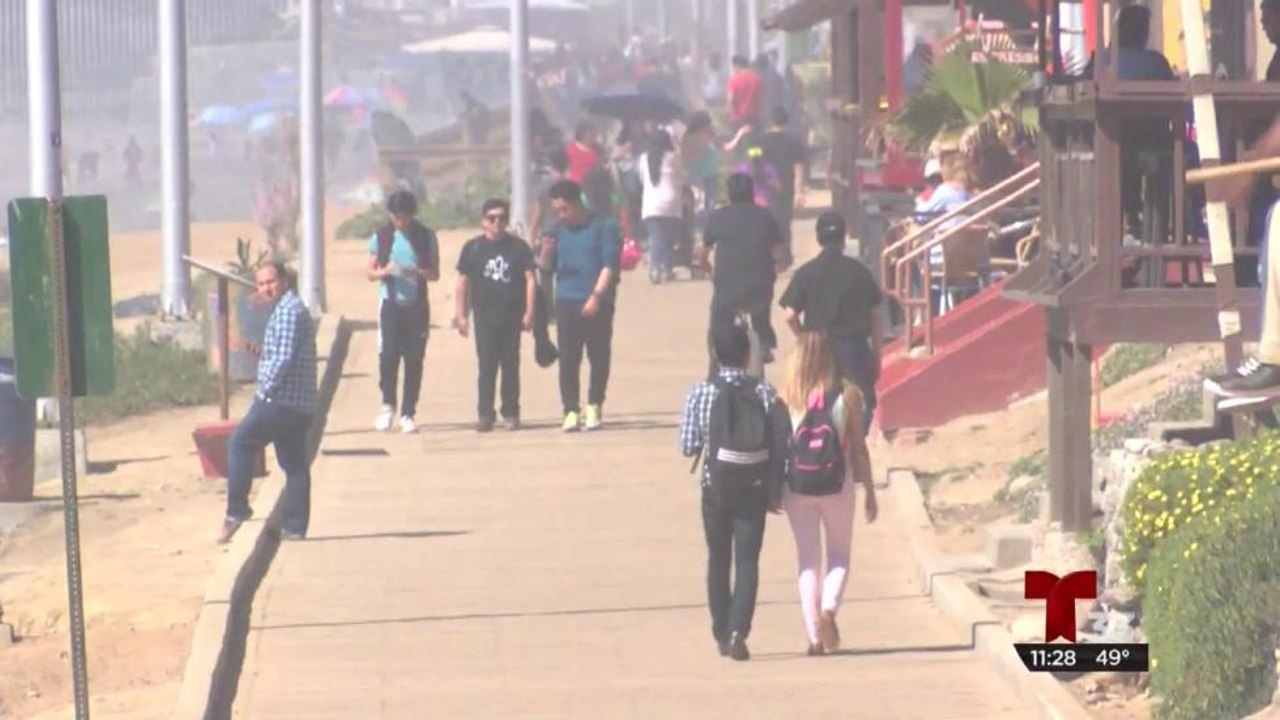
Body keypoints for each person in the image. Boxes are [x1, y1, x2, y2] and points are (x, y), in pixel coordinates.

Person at [678, 321, 790, 662]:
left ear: (714, 353)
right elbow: (779, 442)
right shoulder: (764, 393)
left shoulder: (701, 392)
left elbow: (687, 445)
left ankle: (721, 629)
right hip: (754, 488)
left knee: (718, 558)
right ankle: (740, 629)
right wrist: (775, 487)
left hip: (716, 488)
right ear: (747, 355)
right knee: (747, 561)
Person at [779, 331, 878, 655]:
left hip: (797, 488)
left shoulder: (787, 398)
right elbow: (859, 450)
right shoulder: (847, 396)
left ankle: (814, 638)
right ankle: (829, 609)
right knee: (839, 556)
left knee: (808, 562)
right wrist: (870, 492)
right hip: (838, 484)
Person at [219, 262, 318, 544]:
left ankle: (237, 509)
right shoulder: (288, 308)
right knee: (295, 465)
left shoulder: (288, 311)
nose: (265, 288)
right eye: (261, 284)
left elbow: (282, 359)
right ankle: (295, 527)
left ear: (284, 280)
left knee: (240, 443)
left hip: (280, 400)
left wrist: (263, 391)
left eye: (270, 282)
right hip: (299, 402)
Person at [779, 212, 885, 432]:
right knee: (862, 402)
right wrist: (876, 353)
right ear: (843, 238)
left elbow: (789, 315)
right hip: (854, 348)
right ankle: (855, 442)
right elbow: (876, 315)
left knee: (816, 401)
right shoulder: (858, 271)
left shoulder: (807, 272)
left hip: (819, 350)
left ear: (819, 238)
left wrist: (805, 337)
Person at [538, 180, 622, 432]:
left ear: (577, 203)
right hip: (566, 300)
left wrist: (596, 296)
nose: (561, 215)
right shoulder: (555, 230)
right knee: (569, 359)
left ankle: (594, 404)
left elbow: (609, 265)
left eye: (565, 209)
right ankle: (571, 410)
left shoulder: (603, 226)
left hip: (598, 300)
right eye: (557, 210)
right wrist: (545, 253)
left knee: (598, 356)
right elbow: (545, 269)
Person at [456, 199, 537, 432]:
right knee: (487, 366)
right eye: (492, 218)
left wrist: (530, 311)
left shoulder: (518, 248)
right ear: (483, 221)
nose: (497, 223)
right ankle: (485, 414)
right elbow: (462, 283)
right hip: (484, 316)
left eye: (502, 218)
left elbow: (530, 280)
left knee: (511, 365)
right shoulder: (473, 248)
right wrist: (461, 315)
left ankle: (511, 412)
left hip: (512, 316)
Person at [367, 190, 440, 434]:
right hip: (390, 303)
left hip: (417, 305)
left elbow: (435, 274)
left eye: (405, 217)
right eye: (397, 217)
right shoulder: (382, 236)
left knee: (414, 359)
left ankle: (408, 412)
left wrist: (418, 272)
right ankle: (388, 404)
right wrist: (385, 271)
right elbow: (370, 272)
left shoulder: (426, 236)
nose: (401, 222)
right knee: (388, 356)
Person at [701, 173, 783, 373]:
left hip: (727, 286)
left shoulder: (718, 217)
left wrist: (709, 271)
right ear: (752, 193)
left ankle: (715, 366)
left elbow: (703, 254)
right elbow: (778, 252)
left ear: (729, 193)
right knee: (761, 313)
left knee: (718, 325)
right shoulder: (765, 216)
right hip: (759, 284)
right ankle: (764, 341)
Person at [757, 106, 808, 268]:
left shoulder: (760, 141)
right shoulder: (794, 142)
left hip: (765, 187)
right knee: (784, 222)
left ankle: (769, 256)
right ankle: (784, 258)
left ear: (770, 120)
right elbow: (798, 167)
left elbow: (754, 163)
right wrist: (799, 190)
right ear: (786, 120)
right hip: (786, 187)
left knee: (766, 221)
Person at [639, 128, 685, 284]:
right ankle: (667, 268)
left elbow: (641, 179)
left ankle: (654, 268)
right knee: (668, 239)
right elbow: (681, 178)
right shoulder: (673, 157)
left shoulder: (644, 158)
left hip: (651, 203)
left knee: (655, 237)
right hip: (671, 202)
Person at [726, 55, 763, 133]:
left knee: (739, 142)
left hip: (739, 118)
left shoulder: (735, 79)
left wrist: (731, 113)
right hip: (755, 118)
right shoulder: (757, 78)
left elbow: (731, 99)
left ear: (737, 65)